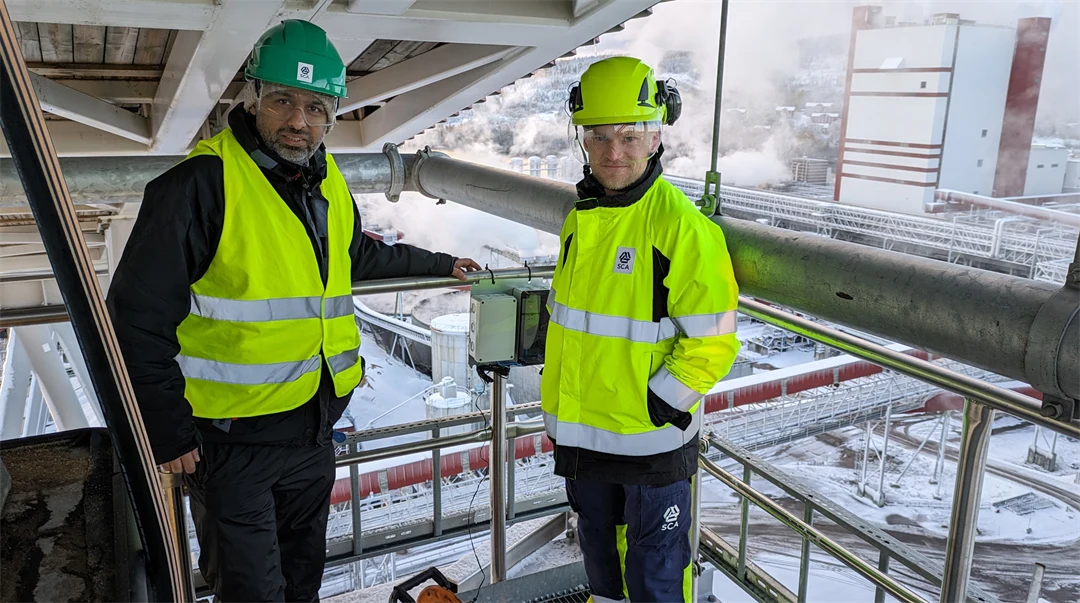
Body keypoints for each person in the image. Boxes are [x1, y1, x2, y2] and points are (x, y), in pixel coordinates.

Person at [106, 20, 480, 603]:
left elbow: (353, 254)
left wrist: (437, 263)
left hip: (313, 432)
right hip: (232, 443)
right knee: (252, 593)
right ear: (251, 97)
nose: (298, 121)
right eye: (282, 100)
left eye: (315, 107)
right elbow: (134, 316)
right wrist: (166, 428)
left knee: (303, 584)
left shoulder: (325, 178)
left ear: (332, 114)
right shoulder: (201, 185)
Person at [540, 56, 741, 603]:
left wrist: (659, 406)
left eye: (629, 136)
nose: (613, 153)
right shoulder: (581, 218)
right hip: (585, 440)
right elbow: (573, 327)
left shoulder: (683, 230)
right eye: (599, 136)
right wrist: (561, 413)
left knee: (654, 582)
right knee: (602, 575)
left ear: (656, 137)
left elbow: (715, 341)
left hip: (649, 448)